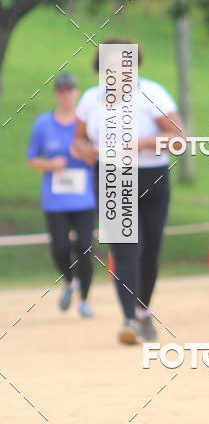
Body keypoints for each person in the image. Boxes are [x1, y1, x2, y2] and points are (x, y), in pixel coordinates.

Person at [72, 39, 184, 345]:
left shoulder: (151, 93)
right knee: (124, 250)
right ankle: (129, 320)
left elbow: (178, 139)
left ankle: (142, 309)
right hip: (112, 176)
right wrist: (88, 151)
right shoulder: (90, 99)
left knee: (149, 252)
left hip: (151, 176)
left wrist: (142, 144)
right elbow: (77, 142)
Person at [27, 72, 96, 317]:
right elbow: (32, 159)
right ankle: (70, 281)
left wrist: (85, 155)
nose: (67, 95)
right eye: (63, 91)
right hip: (55, 199)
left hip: (85, 197)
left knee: (85, 247)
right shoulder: (43, 124)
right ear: (58, 94)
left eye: (71, 90)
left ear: (77, 93)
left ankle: (85, 299)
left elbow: (103, 155)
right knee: (60, 247)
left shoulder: (87, 123)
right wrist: (50, 165)